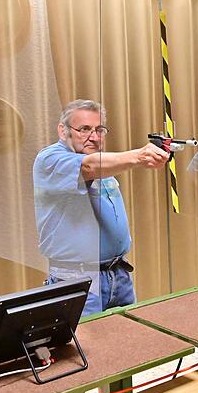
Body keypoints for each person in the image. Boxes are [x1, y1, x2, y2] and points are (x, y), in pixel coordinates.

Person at [33, 99, 169, 316]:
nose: (94, 137)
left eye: (99, 130)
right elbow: (87, 167)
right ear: (62, 131)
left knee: (129, 341)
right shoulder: (50, 159)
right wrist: (138, 156)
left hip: (118, 274)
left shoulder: (102, 164)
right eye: (84, 129)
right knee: (86, 347)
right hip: (77, 278)